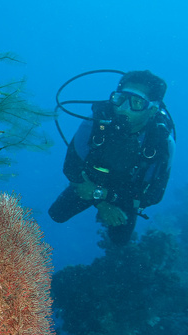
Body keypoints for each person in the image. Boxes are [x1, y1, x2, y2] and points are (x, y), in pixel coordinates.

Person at [48, 70, 174, 245]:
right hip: (90, 181)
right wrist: (101, 203)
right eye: (120, 99)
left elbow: (153, 196)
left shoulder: (162, 143)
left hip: (125, 192)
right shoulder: (97, 121)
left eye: (137, 102)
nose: (123, 108)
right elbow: (71, 166)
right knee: (56, 215)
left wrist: (104, 195)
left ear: (152, 109)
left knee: (119, 241)